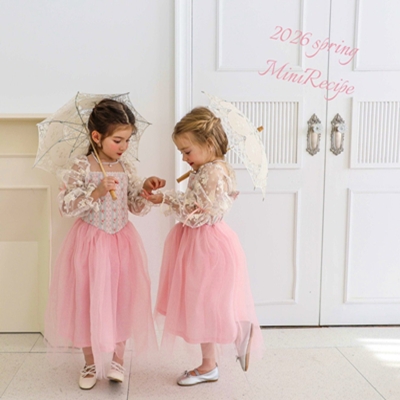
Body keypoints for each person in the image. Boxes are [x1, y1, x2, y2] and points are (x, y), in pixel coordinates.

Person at [44, 98, 165, 390]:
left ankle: (117, 360)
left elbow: (133, 204)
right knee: (87, 299)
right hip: (90, 243)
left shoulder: (125, 166)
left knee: (122, 298)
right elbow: (65, 205)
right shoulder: (81, 166)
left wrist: (145, 189)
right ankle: (89, 361)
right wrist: (96, 192)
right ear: (96, 136)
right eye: (117, 140)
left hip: (121, 243)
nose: (123, 146)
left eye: (127, 140)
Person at [143, 107, 263, 386]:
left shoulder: (213, 173)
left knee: (203, 304)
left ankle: (227, 343)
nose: (184, 158)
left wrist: (165, 199)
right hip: (204, 241)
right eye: (182, 152)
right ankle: (213, 360)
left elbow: (195, 212)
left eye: (187, 151)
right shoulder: (209, 168)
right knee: (202, 303)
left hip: (205, 244)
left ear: (208, 144)